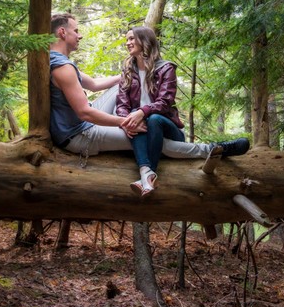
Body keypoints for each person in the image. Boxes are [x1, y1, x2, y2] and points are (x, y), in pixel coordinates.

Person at [49, 13, 248, 190]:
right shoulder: (63, 67)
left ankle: (149, 159)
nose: (79, 35)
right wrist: (125, 122)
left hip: (86, 122)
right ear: (62, 33)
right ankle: (211, 149)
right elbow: (84, 113)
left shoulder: (60, 62)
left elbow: (93, 84)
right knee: (146, 136)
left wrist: (126, 77)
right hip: (79, 132)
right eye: (76, 31)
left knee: (147, 124)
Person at [116, 26, 249, 197]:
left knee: (153, 118)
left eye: (132, 39)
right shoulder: (127, 71)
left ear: (145, 41)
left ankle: (149, 171)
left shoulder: (165, 68)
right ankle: (148, 175)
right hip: (144, 133)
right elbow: (121, 104)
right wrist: (125, 122)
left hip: (167, 129)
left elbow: (165, 102)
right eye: (127, 40)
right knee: (136, 119)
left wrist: (141, 112)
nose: (128, 43)